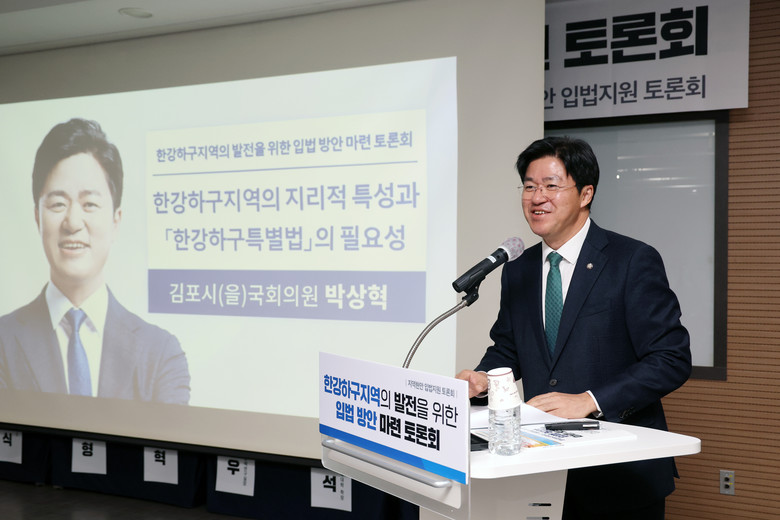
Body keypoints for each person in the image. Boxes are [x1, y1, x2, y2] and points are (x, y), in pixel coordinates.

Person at [456, 136, 691, 519]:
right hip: (540, 468)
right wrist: (484, 378)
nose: (537, 198)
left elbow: (670, 359)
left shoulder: (631, 260)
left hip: (619, 472)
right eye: (529, 186)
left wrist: (590, 400)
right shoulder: (519, 268)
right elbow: (509, 348)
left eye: (551, 185)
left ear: (585, 194)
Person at [0, 118, 190, 404]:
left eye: (90, 204)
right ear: (38, 217)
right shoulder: (3, 342)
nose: (73, 222)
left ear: (116, 220)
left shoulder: (161, 354)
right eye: (58, 204)